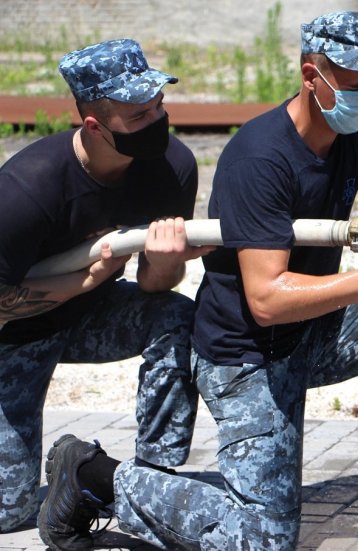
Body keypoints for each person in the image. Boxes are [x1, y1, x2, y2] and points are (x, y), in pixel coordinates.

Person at [41, 12, 358, 550]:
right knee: (263, 539)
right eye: (355, 87)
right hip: (245, 357)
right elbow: (266, 299)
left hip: (313, 330)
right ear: (312, 77)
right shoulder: (260, 158)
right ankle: (92, 476)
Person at [0, 38, 215, 547]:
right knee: (9, 512)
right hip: (13, 337)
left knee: (175, 315)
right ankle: (64, 472)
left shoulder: (172, 167)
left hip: (91, 318)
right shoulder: (24, 191)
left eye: (159, 106)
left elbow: (152, 287)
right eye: (139, 115)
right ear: (94, 125)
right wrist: (85, 280)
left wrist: (164, 265)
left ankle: (151, 476)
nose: (158, 121)